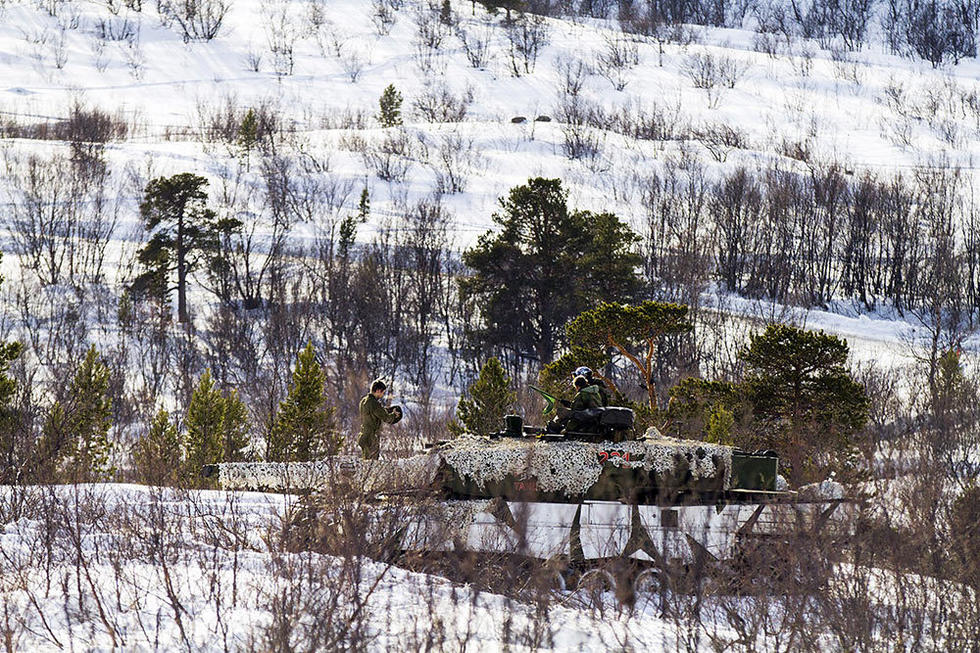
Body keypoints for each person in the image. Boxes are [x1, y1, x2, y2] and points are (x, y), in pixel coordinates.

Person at [358, 379, 402, 460]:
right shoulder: (374, 403)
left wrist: (385, 410)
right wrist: (394, 415)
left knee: (365, 464)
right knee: (372, 465)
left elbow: (373, 414)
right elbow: (386, 418)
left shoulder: (363, 401)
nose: (382, 395)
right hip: (371, 438)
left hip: (363, 436)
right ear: (378, 391)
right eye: (383, 392)